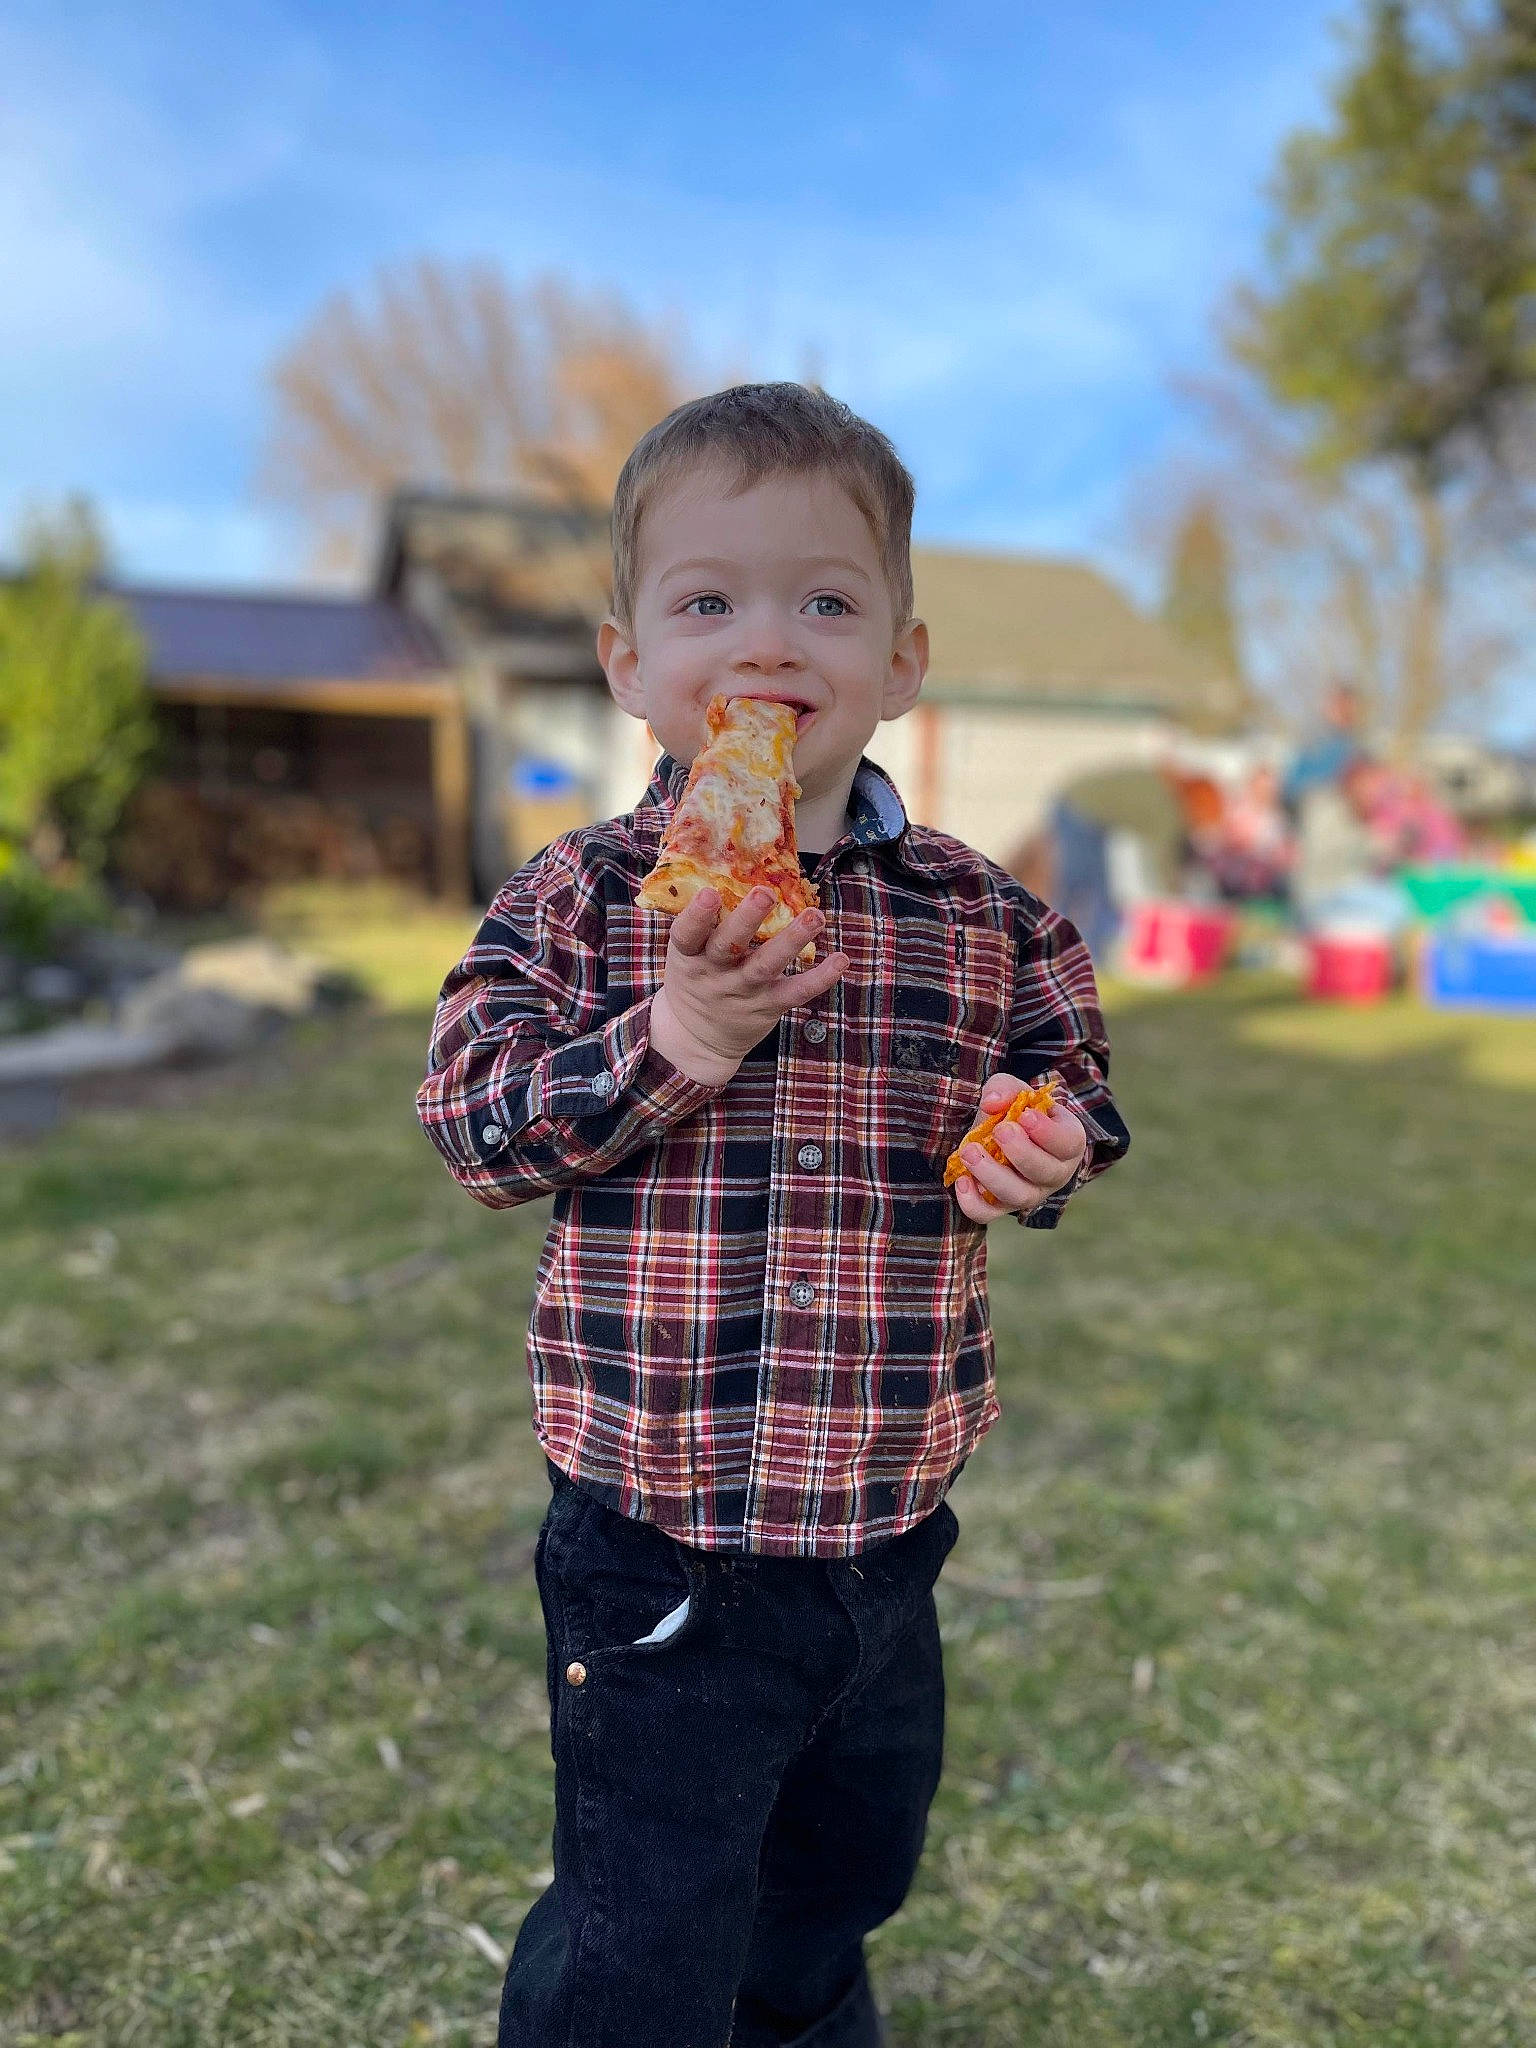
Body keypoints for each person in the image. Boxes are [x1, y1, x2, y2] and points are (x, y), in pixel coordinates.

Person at [416, 383, 1130, 2048]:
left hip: (885, 1519)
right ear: (628, 664)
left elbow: (1069, 1071)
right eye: (709, 601)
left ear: (901, 662)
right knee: (643, 1925)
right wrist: (675, 1040)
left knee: (838, 1880)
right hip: (661, 1529)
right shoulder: (575, 903)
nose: (769, 642)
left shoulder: (986, 916)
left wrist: (1048, 1143)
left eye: (825, 600)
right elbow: (474, 1122)